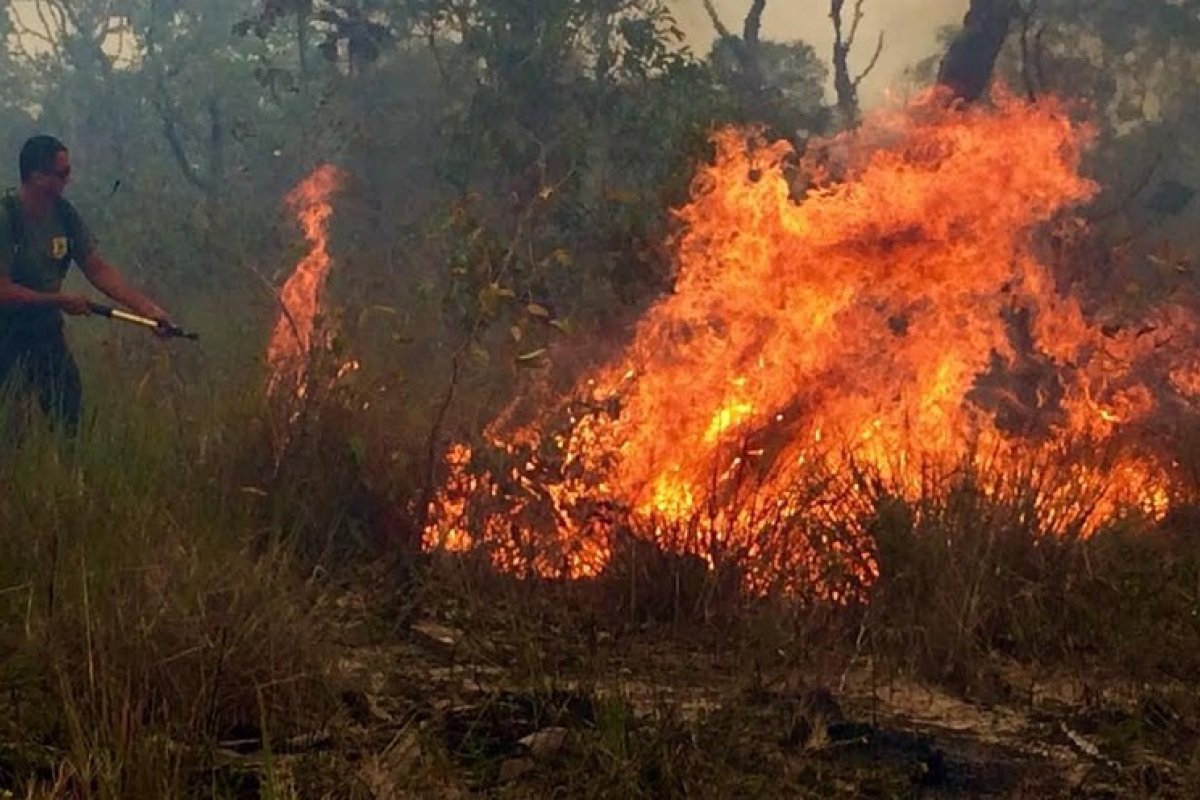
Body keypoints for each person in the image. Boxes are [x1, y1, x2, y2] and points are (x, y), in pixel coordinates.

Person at [0, 135, 170, 436]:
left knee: (69, 418)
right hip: (5, 336)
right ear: (37, 177)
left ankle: (70, 477)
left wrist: (147, 308)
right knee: (10, 428)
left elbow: (96, 267)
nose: (69, 180)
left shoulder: (64, 214)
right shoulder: (6, 217)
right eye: (62, 174)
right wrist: (57, 300)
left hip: (46, 334)